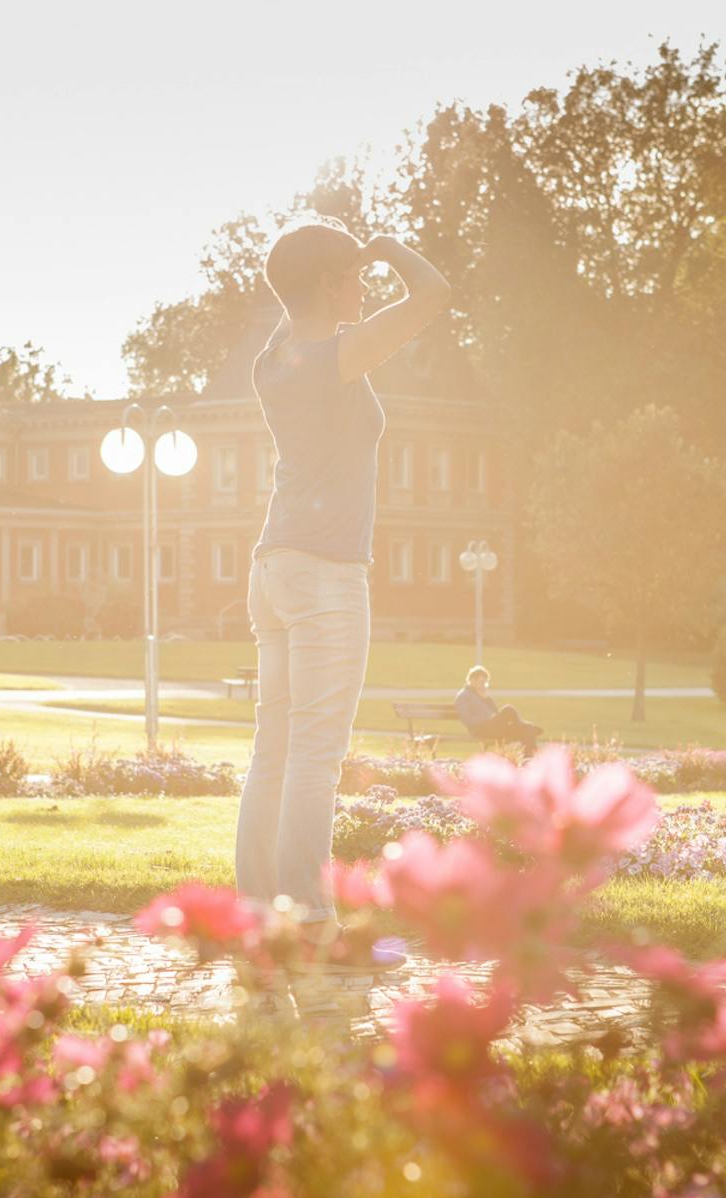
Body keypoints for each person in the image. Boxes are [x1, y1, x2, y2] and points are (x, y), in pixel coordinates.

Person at [234, 216, 452, 972]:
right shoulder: (334, 358)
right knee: (314, 758)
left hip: (273, 568)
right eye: (354, 276)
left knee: (274, 750)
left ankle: (259, 917)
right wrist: (386, 248)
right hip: (326, 574)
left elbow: (298, 297)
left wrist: (341, 261)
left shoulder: (273, 361)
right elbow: (434, 294)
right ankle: (314, 926)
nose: (364, 286)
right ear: (330, 285)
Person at [454, 665, 542, 757]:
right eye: (481, 682)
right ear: (472, 680)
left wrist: (487, 699)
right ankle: (521, 725)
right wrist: (487, 718)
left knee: (529, 728)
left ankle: (530, 758)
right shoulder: (463, 696)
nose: (483, 685)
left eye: (485, 683)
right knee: (508, 709)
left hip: (493, 727)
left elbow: (496, 712)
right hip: (481, 729)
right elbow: (468, 720)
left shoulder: (481, 694)